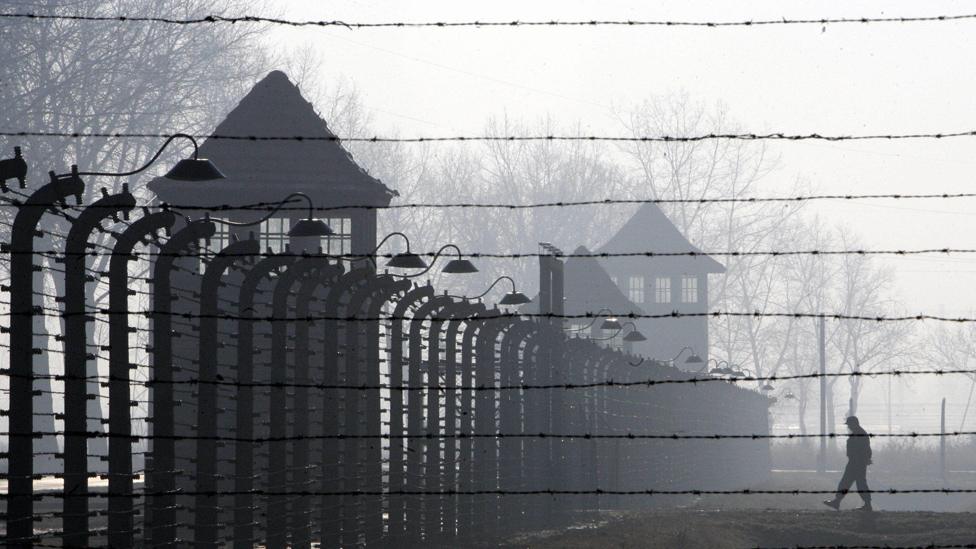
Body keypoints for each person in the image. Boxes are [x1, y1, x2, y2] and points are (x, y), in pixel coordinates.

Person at [823, 416, 873, 511]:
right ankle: (838, 502)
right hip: (855, 462)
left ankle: (867, 505)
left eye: (849, 424)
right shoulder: (859, 433)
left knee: (857, 484)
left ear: (854, 423)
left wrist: (864, 459)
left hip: (856, 463)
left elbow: (865, 450)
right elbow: (867, 450)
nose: (848, 426)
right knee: (848, 483)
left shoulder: (860, 434)